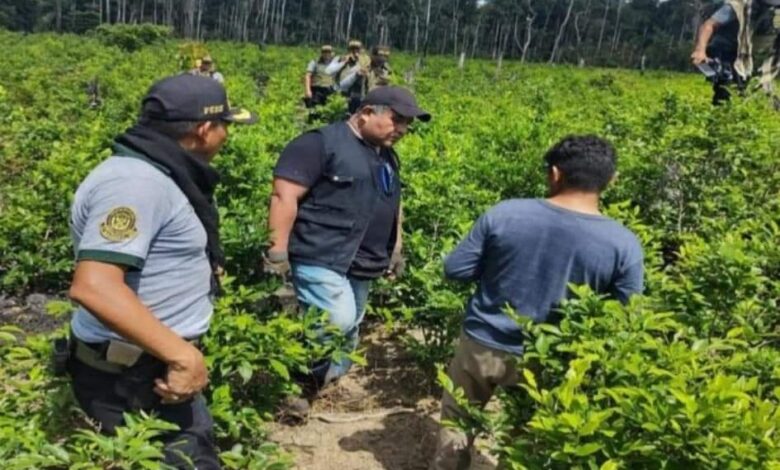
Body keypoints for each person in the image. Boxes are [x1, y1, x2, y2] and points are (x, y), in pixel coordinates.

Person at [66, 74, 257, 469]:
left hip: (150, 367)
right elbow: (95, 286)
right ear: (203, 130)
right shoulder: (135, 183)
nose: (226, 136)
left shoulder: (158, 172)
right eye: (225, 126)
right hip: (133, 378)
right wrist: (182, 355)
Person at [430, 135, 645, 470]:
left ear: (555, 173)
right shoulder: (623, 243)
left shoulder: (505, 214)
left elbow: (455, 269)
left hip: (480, 343)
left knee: (457, 423)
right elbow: (627, 312)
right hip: (549, 357)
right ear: (611, 181)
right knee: (525, 443)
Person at [264, 86, 431, 416]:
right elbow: (284, 196)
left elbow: (394, 204)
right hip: (320, 253)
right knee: (335, 322)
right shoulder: (319, 143)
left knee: (351, 325)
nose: (402, 130)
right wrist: (277, 252)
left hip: (363, 260)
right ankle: (297, 388)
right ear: (367, 112)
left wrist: (396, 249)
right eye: (396, 120)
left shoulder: (386, 155)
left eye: (408, 124)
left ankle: (325, 385)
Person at [691, 0, 780, 105]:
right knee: (728, 91)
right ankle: (722, 115)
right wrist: (699, 51)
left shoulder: (774, 13)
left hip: (747, 56)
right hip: (725, 51)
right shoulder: (737, 6)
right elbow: (709, 25)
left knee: (759, 92)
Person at [327, 39, 372, 114]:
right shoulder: (340, 58)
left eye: (357, 49)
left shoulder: (366, 59)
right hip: (343, 91)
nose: (354, 51)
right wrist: (343, 62)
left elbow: (369, 73)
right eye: (352, 49)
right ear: (348, 49)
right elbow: (329, 71)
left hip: (358, 92)